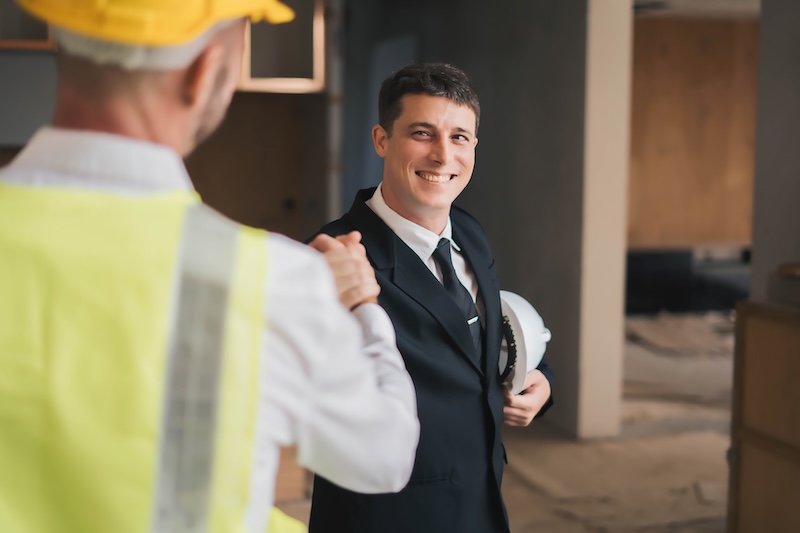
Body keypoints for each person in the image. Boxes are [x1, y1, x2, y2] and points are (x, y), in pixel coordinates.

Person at [0, 2, 419, 532]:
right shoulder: (272, 281)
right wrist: (362, 309)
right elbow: (383, 457)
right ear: (204, 75)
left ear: (62, 46)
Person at [309, 63, 554, 533]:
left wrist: (541, 380)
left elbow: (476, 342)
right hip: (388, 515)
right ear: (382, 140)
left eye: (459, 137)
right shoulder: (337, 254)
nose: (443, 156)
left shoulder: (471, 233)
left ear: (474, 147)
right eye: (423, 133)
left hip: (479, 502)